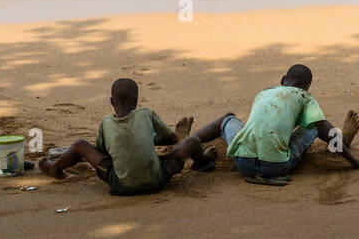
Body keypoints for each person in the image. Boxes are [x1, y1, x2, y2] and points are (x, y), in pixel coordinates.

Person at [38, 77, 233, 196]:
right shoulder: (147, 113)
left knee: (80, 144)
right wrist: (148, 138)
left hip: (120, 185)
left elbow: (103, 153)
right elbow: (173, 139)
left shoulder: (106, 123)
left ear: (111, 101)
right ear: (137, 101)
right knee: (192, 141)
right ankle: (202, 161)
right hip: (158, 180)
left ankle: (55, 168)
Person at [223, 63, 359, 182]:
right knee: (316, 124)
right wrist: (355, 163)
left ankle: (198, 149)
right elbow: (324, 129)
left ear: (283, 80)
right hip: (275, 167)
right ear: (307, 88)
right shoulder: (305, 97)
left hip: (242, 163)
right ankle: (343, 141)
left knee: (229, 119)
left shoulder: (264, 92)